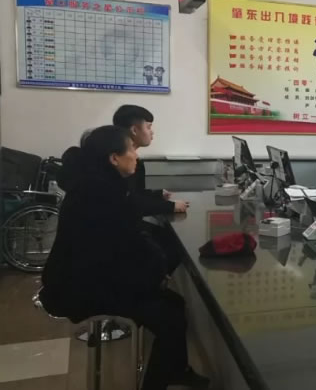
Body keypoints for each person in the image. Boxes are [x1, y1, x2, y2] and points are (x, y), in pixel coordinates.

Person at [39, 126, 209, 390]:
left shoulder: (96, 184)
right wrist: (155, 275)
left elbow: (126, 245)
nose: (136, 155)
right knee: (170, 316)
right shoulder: (102, 193)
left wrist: (154, 271)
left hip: (84, 278)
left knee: (174, 305)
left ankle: (175, 371)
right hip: (81, 288)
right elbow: (125, 248)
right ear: (114, 158)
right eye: (131, 149)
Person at [113, 104, 188, 215]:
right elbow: (130, 203)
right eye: (148, 127)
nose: (152, 132)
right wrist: (171, 206)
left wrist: (157, 195)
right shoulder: (120, 162)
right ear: (134, 130)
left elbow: (137, 194)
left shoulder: (135, 161)